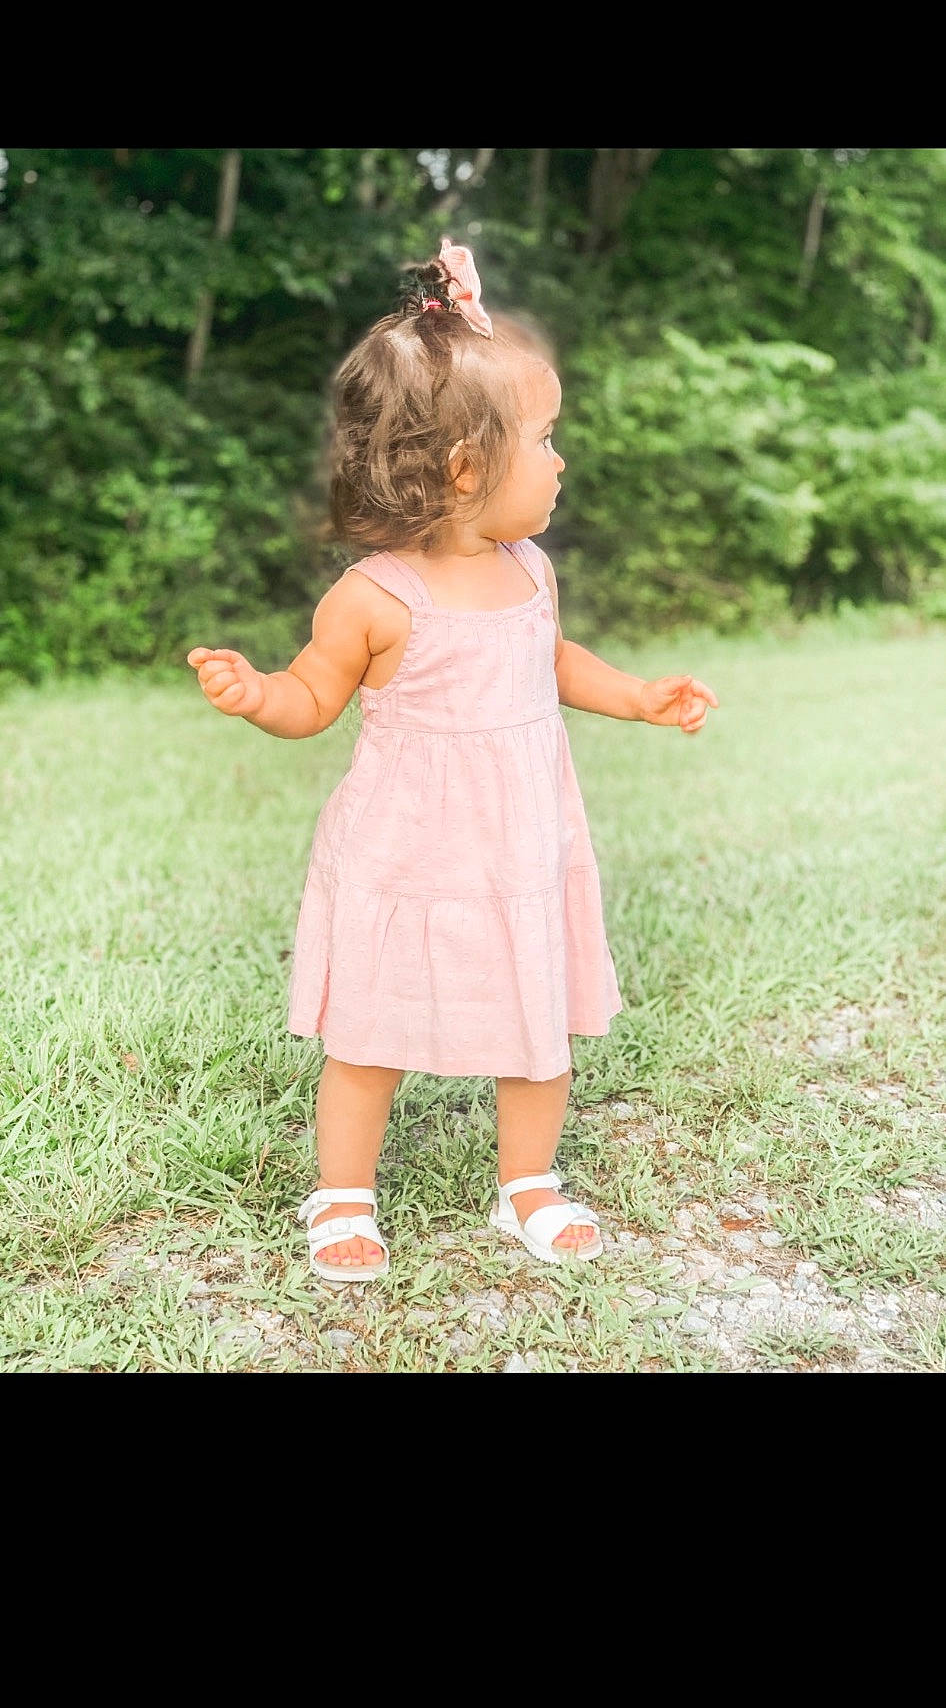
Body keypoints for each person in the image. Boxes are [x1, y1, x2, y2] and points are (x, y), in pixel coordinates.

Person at [186, 239, 719, 1284]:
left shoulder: (530, 569)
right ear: (468, 467)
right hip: (406, 857)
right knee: (371, 1031)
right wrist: (259, 696)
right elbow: (311, 697)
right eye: (546, 439)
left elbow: (550, 659)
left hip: (519, 846)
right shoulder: (375, 595)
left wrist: (636, 696)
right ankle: (341, 1192)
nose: (561, 460)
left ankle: (526, 1181)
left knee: (537, 1020)